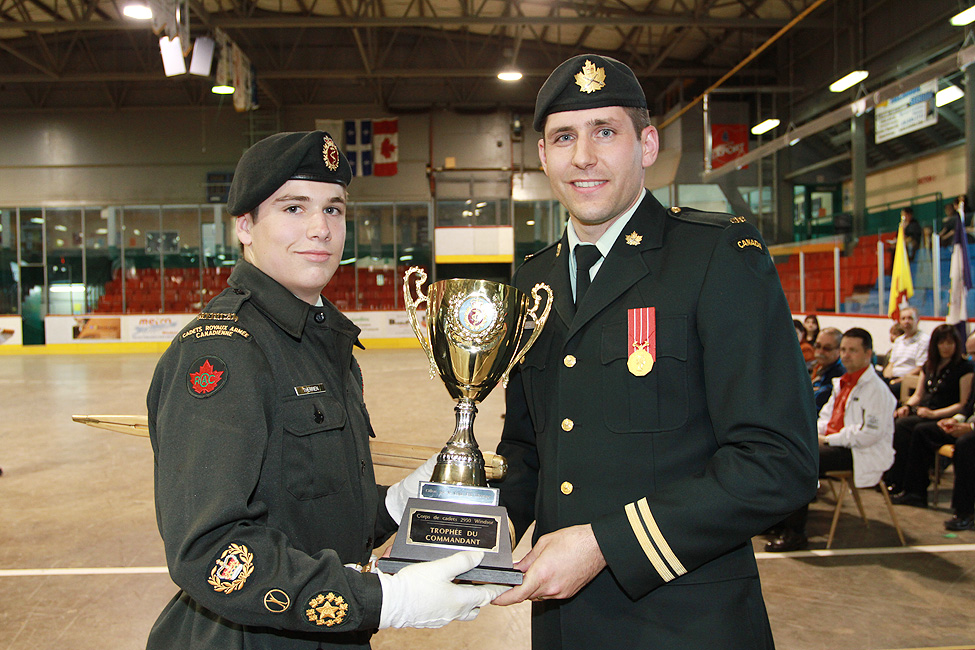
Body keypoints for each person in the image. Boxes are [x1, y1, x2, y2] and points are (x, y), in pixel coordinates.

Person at [489, 54, 819, 649]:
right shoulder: (530, 283)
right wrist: (466, 535)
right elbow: (525, 451)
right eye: (564, 136)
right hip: (563, 627)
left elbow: (778, 461)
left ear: (646, 144)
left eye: (605, 132)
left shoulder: (716, 256)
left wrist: (604, 545)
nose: (583, 156)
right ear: (542, 156)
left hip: (687, 623)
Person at [146, 131, 505, 650]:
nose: (319, 229)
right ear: (245, 225)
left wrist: (400, 504)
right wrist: (386, 599)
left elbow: (311, 511)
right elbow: (209, 549)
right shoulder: (223, 353)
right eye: (294, 207)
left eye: (333, 209)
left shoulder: (320, 340)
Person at [765, 328, 896, 552]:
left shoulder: (877, 390)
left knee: (802, 461)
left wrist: (827, 440)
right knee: (783, 451)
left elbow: (869, 434)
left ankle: (795, 534)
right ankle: (778, 521)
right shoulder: (843, 383)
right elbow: (826, 417)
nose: (845, 355)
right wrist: (815, 436)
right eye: (843, 349)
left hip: (859, 451)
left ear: (868, 353)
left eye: (852, 350)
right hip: (837, 443)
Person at [886, 324, 974, 506]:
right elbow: (918, 395)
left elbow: (963, 405)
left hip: (943, 413)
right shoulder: (930, 365)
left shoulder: (964, 367)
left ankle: (916, 490)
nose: (946, 347)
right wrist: (906, 407)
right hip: (926, 411)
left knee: (919, 430)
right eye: (942, 343)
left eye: (950, 343)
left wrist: (935, 414)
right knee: (898, 423)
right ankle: (897, 481)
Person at [935, 416, 975, 531]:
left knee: (965, 444)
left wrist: (971, 427)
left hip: (970, 430)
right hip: (968, 425)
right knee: (923, 430)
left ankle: (965, 514)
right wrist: (954, 420)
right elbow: (966, 409)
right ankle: (914, 494)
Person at [883, 306, 929, 397]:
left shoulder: (924, 340)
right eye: (903, 319)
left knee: (890, 389)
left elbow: (920, 368)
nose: (906, 322)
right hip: (893, 378)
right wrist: (885, 378)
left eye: (910, 318)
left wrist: (898, 380)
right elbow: (891, 364)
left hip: (909, 380)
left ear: (917, 320)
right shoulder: (898, 340)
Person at [811, 327, 846, 412]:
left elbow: (815, 405)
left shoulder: (839, 376)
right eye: (818, 346)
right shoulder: (817, 367)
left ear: (839, 350)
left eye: (827, 348)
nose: (820, 352)